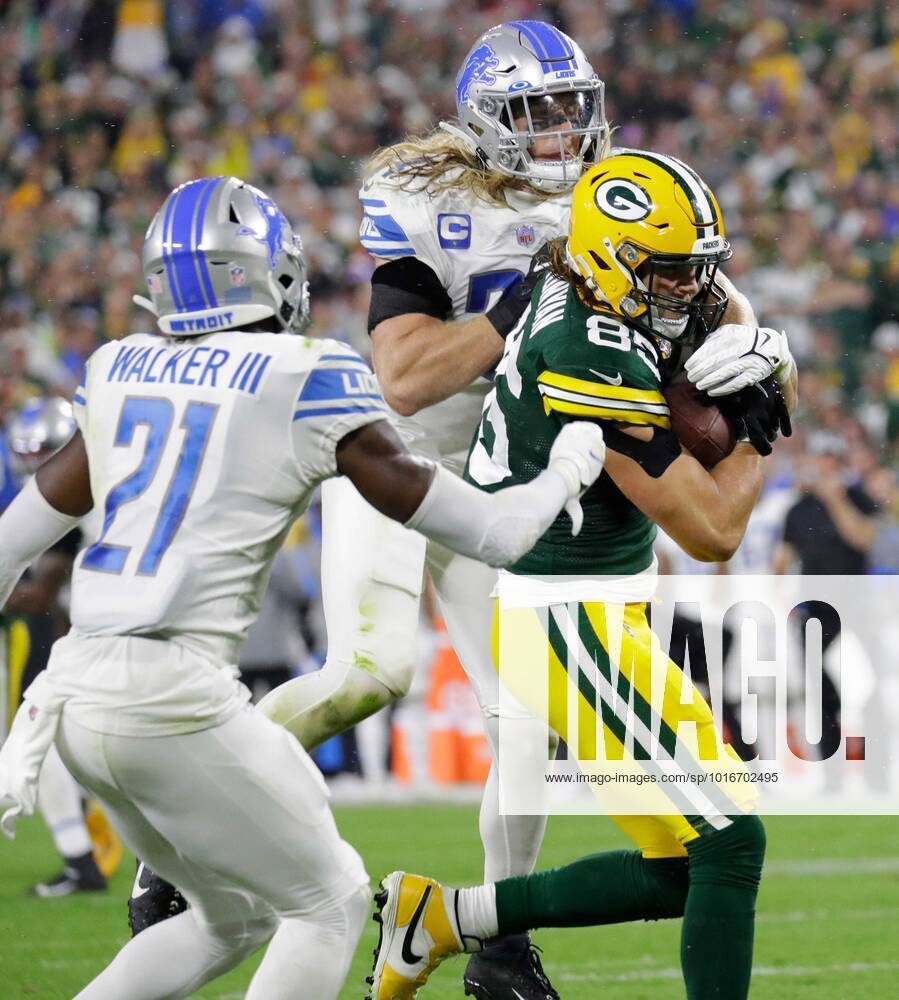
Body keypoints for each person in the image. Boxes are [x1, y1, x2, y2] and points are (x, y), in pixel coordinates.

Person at [0, 176, 605, 1000]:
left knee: (231, 919)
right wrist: (569, 466)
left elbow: (10, 546)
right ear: (267, 273)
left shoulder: (116, 368)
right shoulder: (307, 372)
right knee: (331, 902)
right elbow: (493, 534)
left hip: (72, 697)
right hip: (174, 701)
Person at [255, 22, 763, 998]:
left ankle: (490, 941)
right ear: (489, 120)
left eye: (574, 108)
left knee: (527, 724)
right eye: (537, 113)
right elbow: (399, 377)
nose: (564, 132)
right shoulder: (434, 202)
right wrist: (513, 310)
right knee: (369, 670)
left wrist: (736, 366)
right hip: (396, 460)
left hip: (511, 477)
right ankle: (209, 781)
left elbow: (722, 304)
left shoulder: (612, 193)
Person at [366, 150, 797, 1000]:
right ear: (610, 256)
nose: (693, 292)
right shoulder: (586, 349)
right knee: (730, 843)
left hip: (592, 613)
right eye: (671, 274)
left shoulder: (580, 280)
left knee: (680, 867)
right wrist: (765, 421)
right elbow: (711, 531)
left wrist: (750, 337)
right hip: (566, 620)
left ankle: (445, 917)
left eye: (701, 270)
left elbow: (721, 308)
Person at [4, 396, 122, 895]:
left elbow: (43, 593)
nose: (35, 464)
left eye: (42, 452)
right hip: (106, 630)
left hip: (94, 638)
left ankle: (83, 858)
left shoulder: (79, 491)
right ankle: (84, 850)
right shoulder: (107, 483)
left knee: (43, 735)